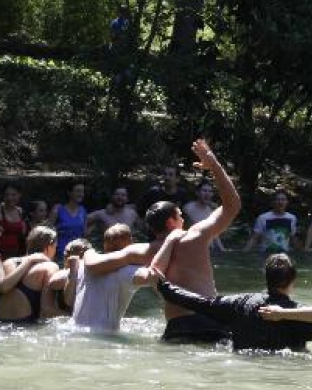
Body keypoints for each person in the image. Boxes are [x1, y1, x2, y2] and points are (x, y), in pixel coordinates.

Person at [90, 139, 239, 344]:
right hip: (210, 319)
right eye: (180, 215)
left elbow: (95, 267)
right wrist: (213, 164)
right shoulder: (196, 235)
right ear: (171, 221)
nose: (184, 219)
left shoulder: (141, 251)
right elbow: (233, 205)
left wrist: (85, 253)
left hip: (178, 327)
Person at [155, 253, 312, 351]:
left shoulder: (240, 303)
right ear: (292, 281)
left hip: (241, 361)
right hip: (281, 368)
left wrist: (163, 285)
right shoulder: (296, 314)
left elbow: (201, 303)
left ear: (266, 277)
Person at [72, 224, 160, 332]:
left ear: (104, 245)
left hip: (75, 329)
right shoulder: (126, 271)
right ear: (131, 244)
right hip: (104, 338)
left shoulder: (82, 265)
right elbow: (152, 277)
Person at [49, 181, 87, 263]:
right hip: (59, 253)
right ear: (69, 193)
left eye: (82, 191)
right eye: (78, 191)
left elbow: (84, 234)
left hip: (77, 252)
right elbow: (47, 232)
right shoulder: (58, 209)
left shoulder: (83, 211)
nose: (81, 194)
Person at [184, 180, 226, 252]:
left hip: (209, 249)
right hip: (192, 248)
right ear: (197, 193)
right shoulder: (188, 208)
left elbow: (214, 234)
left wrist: (222, 249)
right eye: (204, 191)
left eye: (210, 191)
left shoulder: (211, 211)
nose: (207, 194)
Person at [0, 182, 27, 259]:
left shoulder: (20, 211)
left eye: (13, 195)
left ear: (19, 195)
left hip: (16, 252)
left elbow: (23, 233)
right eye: (6, 195)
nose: (9, 198)